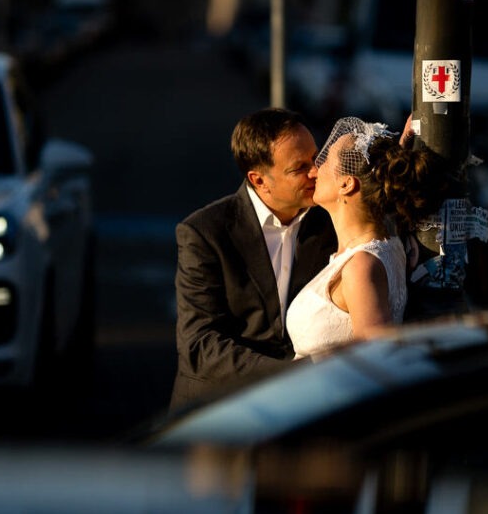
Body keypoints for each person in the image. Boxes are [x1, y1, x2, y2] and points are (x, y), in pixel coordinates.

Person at [170, 107, 338, 409]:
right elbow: (199, 345)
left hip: (303, 414)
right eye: (299, 167)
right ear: (259, 180)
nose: (315, 171)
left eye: (317, 158)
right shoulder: (204, 233)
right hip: (219, 411)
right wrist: (293, 375)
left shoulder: (331, 220)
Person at [285, 116, 452, 360]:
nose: (313, 171)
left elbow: (378, 360)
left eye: (325, 160)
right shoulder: (387, 242)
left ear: (346, 184)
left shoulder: (361, 267)